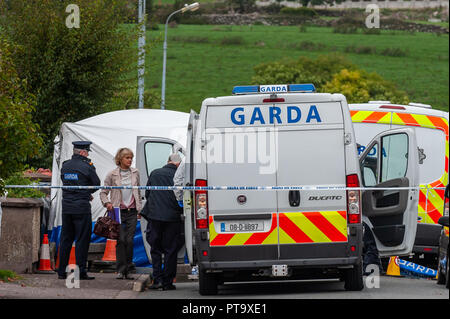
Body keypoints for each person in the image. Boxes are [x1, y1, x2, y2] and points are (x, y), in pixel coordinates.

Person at [58, 141, 100, 280]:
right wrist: (85, 192)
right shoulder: (87, 166)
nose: (87, 154)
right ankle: (81, 271)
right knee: (82, 240)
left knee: (66, 239)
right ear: (82, 152)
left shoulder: (65, 165)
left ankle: (61, 271)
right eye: (87, 152)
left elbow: (65, 181)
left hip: (67, 207)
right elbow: (96, 184)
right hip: (81, 207)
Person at [100, 148, 142, 280]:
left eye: (131, 158)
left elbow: (139, 191)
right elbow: (103, 192)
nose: (130, 160)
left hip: (132, 211)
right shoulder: (112, 174)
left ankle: (128, 269)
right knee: (121, 240)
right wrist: (107, 203)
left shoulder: (136, 172)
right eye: (127, 158)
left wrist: (139, 208)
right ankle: (120, 270)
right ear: (120, 159)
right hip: (118, 211)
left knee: (129, 241)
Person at [142, 154, 183, 290]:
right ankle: (168, 282)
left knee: (155, 249)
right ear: (178, 164)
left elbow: (148, 195)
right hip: (173, 218)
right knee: (171, 250)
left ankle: (157, 280)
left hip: (154, 217)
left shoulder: (155, 173)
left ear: (168, 161)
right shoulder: (180, 176)